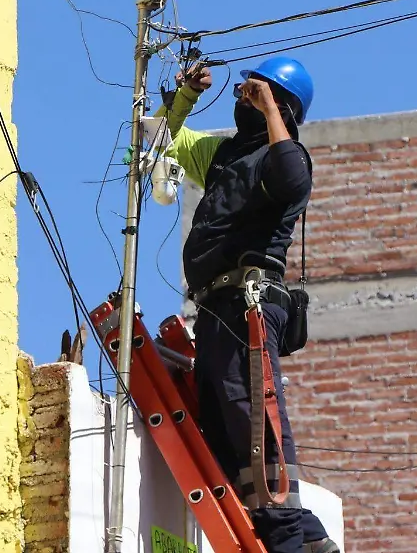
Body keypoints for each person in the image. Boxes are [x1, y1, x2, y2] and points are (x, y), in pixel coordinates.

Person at [157, 56, 338, 553]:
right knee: (221, 433)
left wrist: (273, 113)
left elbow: (290, 180)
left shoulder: (288, 154)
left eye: (255, 91)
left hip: (249, 304)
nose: (243, 96)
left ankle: (288, 541)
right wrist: (185, 97)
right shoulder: (223, 153)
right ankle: (310, 540)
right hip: (217, 307)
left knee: (253, 421)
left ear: (280, 104)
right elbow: (162, 142)